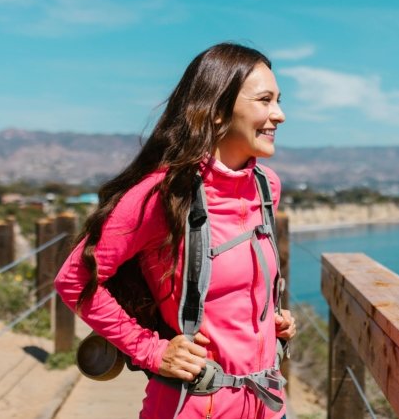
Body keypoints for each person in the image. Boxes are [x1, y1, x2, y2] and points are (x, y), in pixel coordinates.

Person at [54, 42, 296, 419]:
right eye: (264, 100)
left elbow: (226, 297)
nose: (279, 115)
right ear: (217, 112)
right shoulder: (161, 194)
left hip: (266, 403)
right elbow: (75, 279)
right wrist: (151, 349)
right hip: (194, 406)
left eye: (279, 100)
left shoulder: (266, 187)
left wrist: (268, 323)